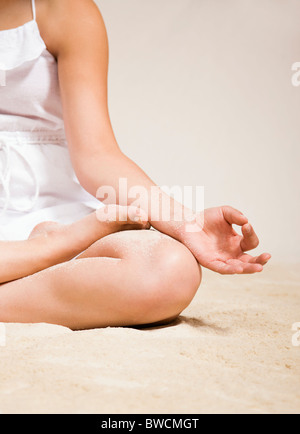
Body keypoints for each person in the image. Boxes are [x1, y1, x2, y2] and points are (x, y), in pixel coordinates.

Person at [0, 0, 271, 330]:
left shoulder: (65, 10)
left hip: (52, 217)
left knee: (168, 270)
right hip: (55, 239)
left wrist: (187, 223)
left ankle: (43, 252)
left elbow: (97, 154)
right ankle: (49, 249)